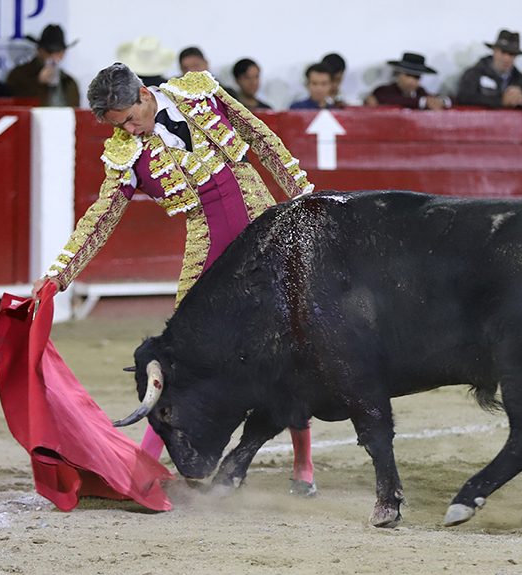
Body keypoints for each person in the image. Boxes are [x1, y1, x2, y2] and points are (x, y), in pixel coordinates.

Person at [30, 63, 318, 496]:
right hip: (208, 250)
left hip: (267, 235)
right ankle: (144, 464)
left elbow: (262, 139)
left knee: (290, 346)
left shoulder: (200, 92)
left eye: (130, 119)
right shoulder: (126, 153)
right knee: (179, 360)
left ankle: (303, 463)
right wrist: (58, 275)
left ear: (145, 95)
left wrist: (306, 200)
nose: (129, 131)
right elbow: (100, 217)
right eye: (119, 126)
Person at [456, 29, 522, 109]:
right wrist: (500, 101)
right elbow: (464, 97)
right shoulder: (474, 73)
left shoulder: (518, 77)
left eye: (512, 54)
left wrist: (521, 99)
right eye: (503, 52)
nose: (507, 58)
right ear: (494, 50)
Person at [6, 24, 80, 107]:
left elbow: (75, 111)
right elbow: (14, 104)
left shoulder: (69, 82)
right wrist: (38, 83)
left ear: (63, 53)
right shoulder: (19, 74)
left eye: (58, 52)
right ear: (39, 50)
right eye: (49, 52)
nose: (53, 57)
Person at [364, 52, 449, 110]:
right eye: (408, 75)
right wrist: (423, 102)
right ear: (398, 74)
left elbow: (446, 99)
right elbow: (395, 100)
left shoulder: (420, 92)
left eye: (416, 77)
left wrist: (440, 102)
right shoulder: (383, 91)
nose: (411, 81)